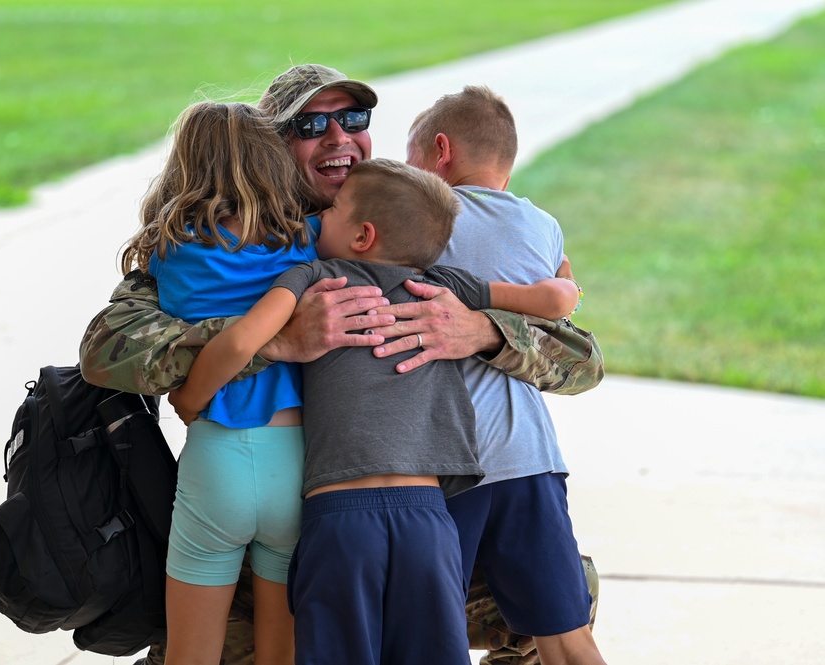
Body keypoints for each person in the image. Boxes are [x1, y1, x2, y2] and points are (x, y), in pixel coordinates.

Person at [79, 65, 604, 665]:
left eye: (354, 120)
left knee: (564, 597)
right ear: (272, 146)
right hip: (277, 528)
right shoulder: (232, 237)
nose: (338, 138)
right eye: (311, 125)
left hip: (402, 518)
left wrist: (480, 330)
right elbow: (107, 348)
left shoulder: (411, 217)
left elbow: (581, 357)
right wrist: (275, 338)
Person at [168, 157, 580, 665]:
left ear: (362, 235)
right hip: (427, 520)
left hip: (339, 521)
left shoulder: (313, 277)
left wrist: (189, 399)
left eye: (334, 209)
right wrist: (568, 287)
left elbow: (242, 340)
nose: (320, 217)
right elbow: (550, 301)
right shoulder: (445, 286)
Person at [406, 85, 606, 665]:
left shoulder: (418, 222)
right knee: (567, 633)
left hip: (445, 466)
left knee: (430, 637)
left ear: (440, 151)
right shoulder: (544, 228)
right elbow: (561, 312)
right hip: (531, 459)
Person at [125, 100, 317, 665]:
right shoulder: (305, 243)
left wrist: (187, 397)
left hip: (215, 455)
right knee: (280, 655)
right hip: (296, 458)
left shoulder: (168, 251)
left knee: (189, 655)